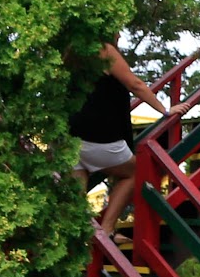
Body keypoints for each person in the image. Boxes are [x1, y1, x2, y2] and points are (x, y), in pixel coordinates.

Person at [72, 39, 172, 232]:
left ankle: (85, 243)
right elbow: (135, 84)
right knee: (136, 172)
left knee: (77, 211)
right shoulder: (104, 49)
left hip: (71, 139)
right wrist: (165, 110)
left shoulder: (72, 51)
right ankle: (107, 228)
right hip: (99, 136)